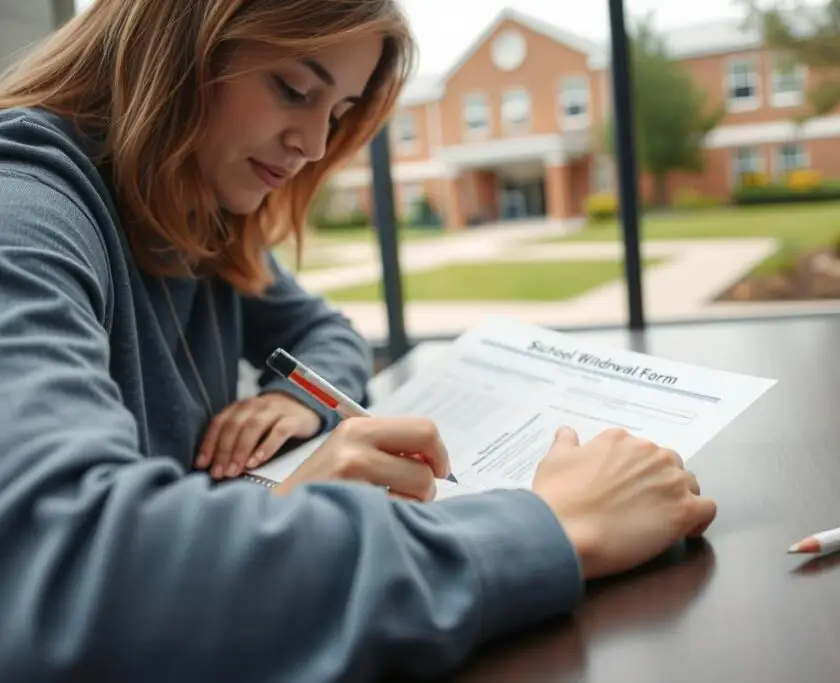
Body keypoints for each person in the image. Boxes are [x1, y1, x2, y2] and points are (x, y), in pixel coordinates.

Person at [0, 1, 718, 681]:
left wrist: (296, 401)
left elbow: (325, 331)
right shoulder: (23, 212)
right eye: (292, 89)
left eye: (338, 112)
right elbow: (69, 573)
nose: (314, 146)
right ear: (179, 43)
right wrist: (554, 529)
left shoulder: (194, 213)